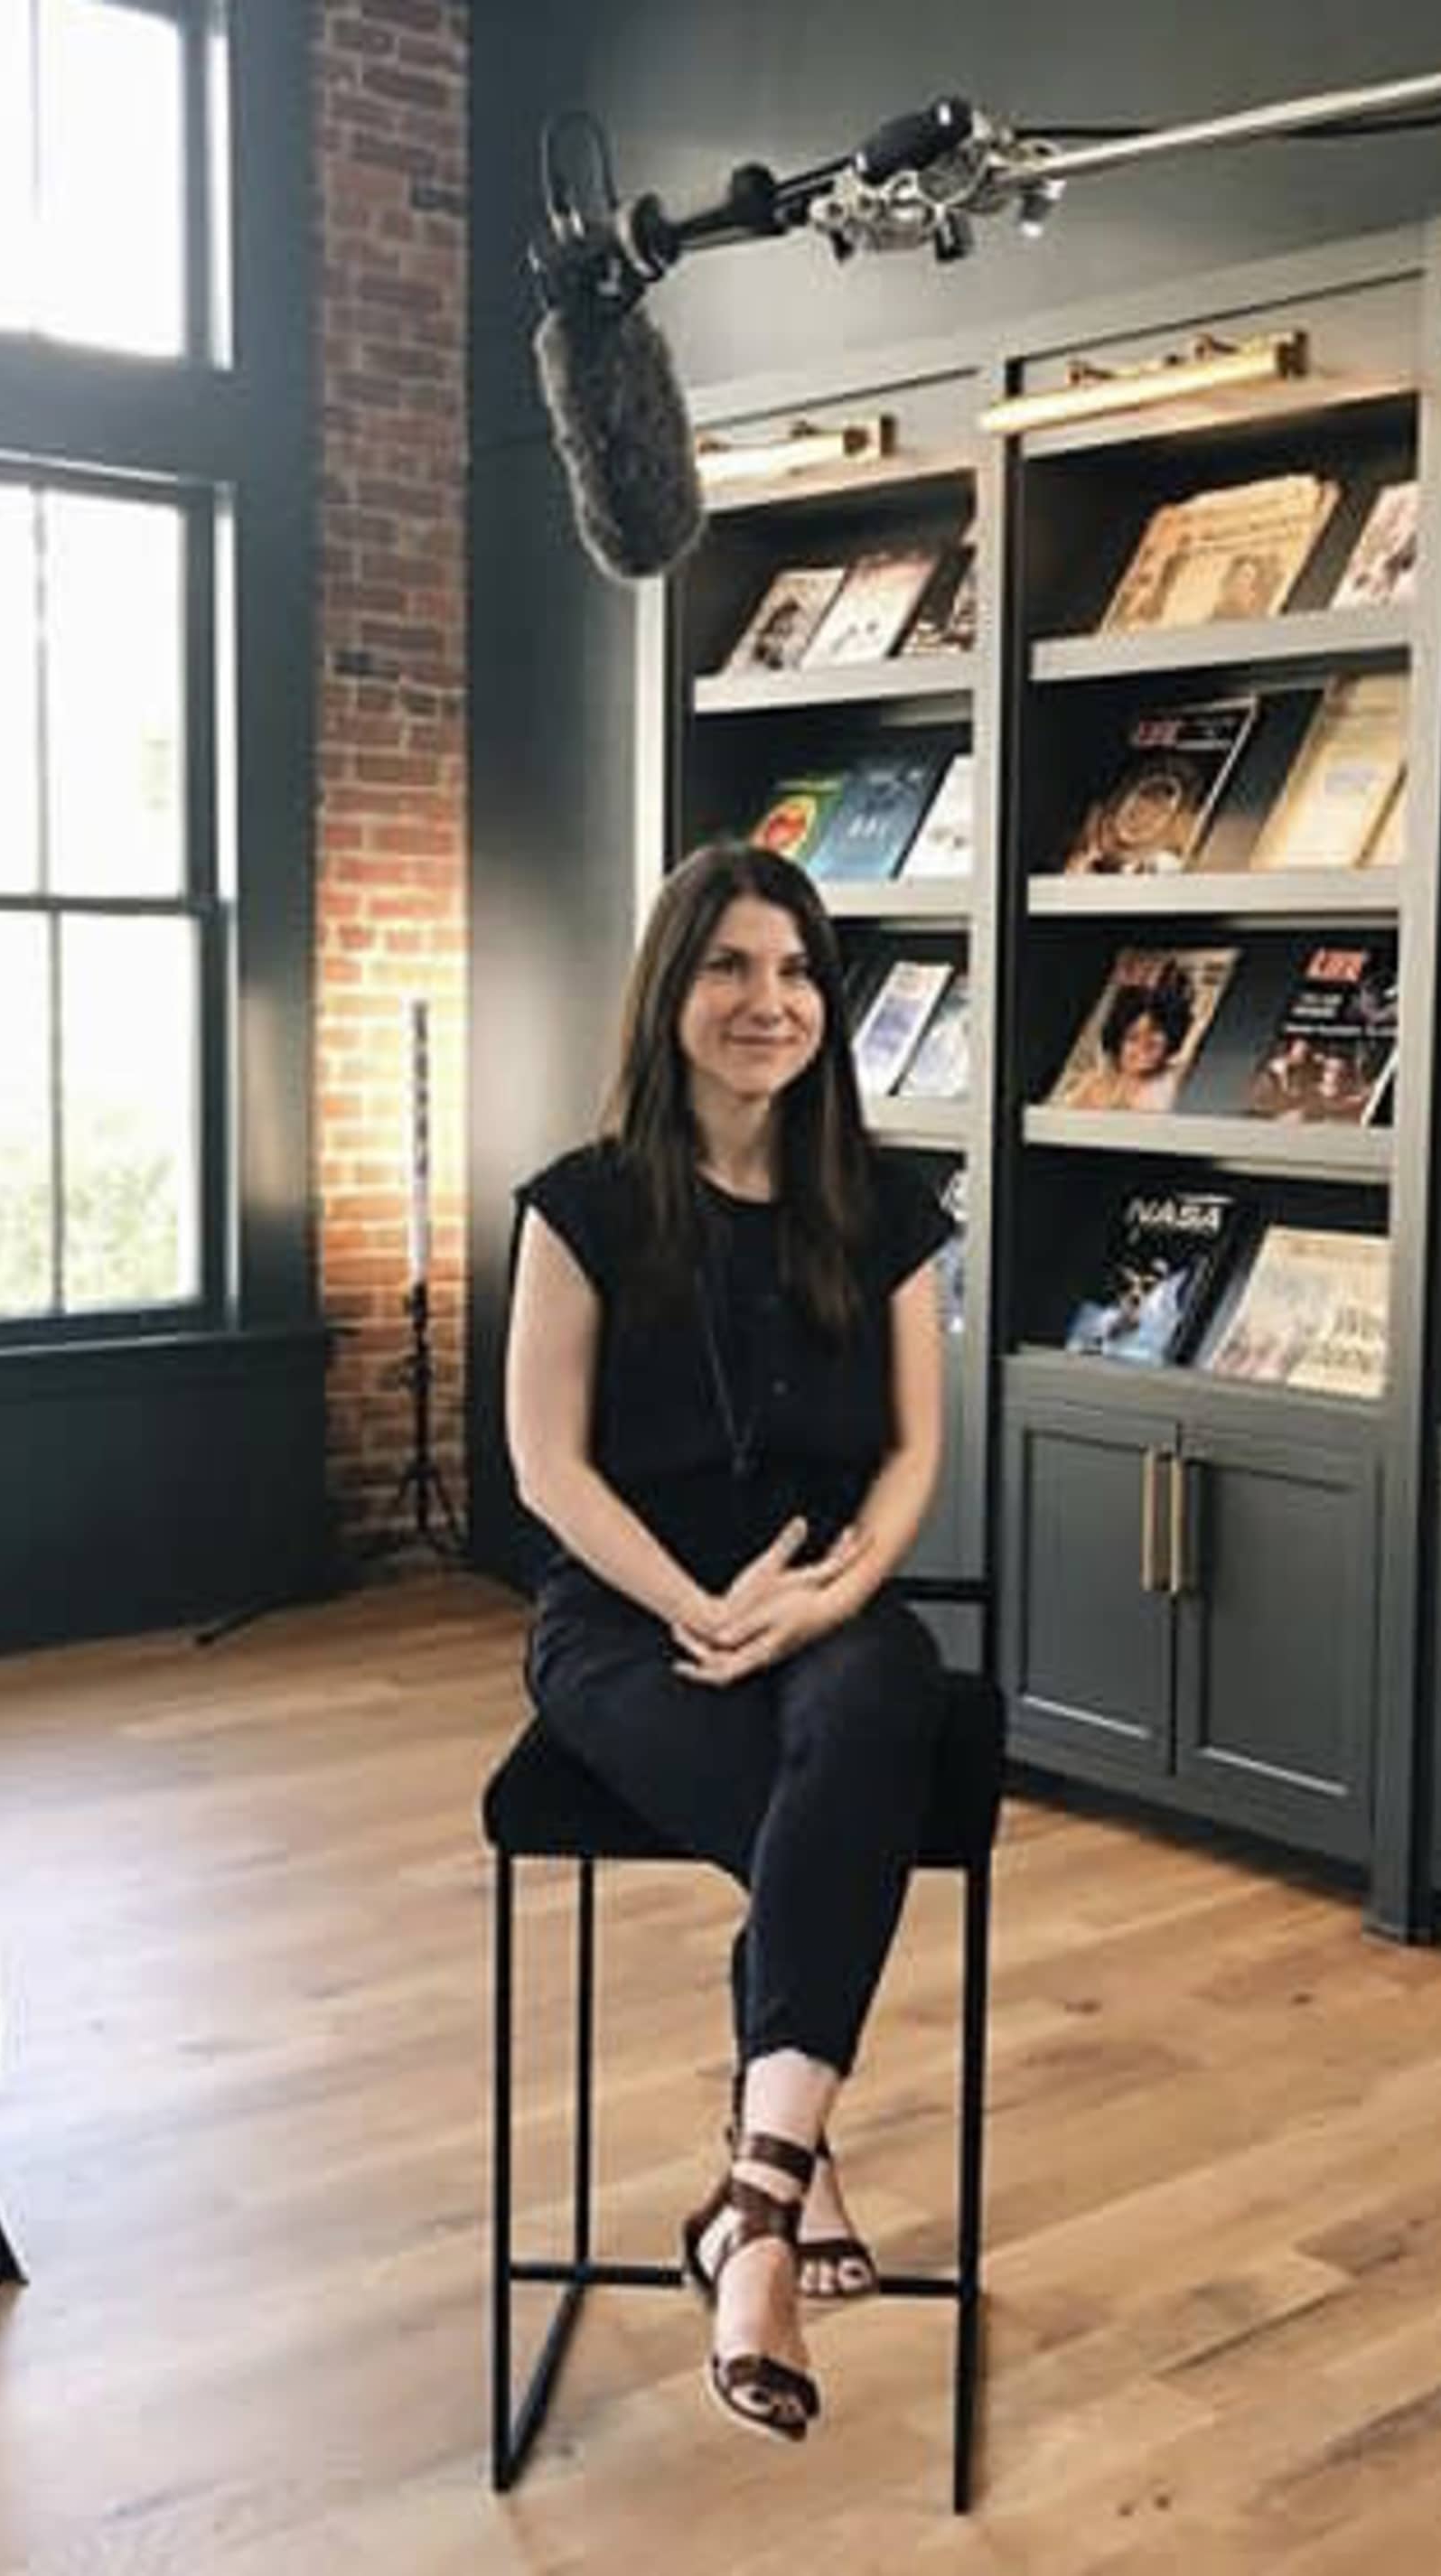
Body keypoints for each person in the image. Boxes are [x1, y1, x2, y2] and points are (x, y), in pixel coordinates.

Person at [505, 842, 956, 2447]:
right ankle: (797, 2163)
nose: (769, 1003)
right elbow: (545, 1461)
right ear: (671, 990)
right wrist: (692, 1603)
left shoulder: (883, 1205)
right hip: (629, 1622)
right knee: (831, 1810)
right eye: (731, 968)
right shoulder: (585, 1204)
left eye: (797, 973)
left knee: (883, 1689)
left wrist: (831, 1595)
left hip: (819, 1602)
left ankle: (747, 2209)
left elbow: (913, 1452)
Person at [1054, 975, 1194, 1112]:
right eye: (1132, 1037)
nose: (1143, 1044)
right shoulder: (1095, 1083)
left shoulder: (1173, 1080)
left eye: (1155, 1033)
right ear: (1117, 1041)